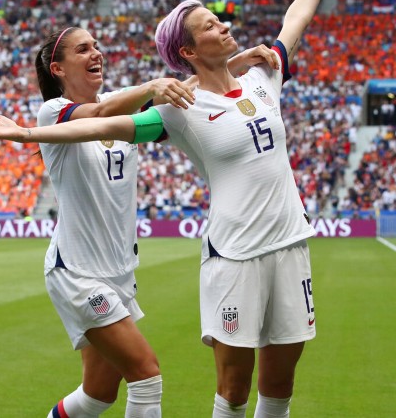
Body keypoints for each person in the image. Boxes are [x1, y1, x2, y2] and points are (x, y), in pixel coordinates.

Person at [0, 0, 348, 416]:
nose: (224, 25)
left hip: (276, 244)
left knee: (107, 393)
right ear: (187, 51)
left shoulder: (261, 77)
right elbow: (99, 122)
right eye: (209, 25)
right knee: (192, 381)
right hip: (214, 253)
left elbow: (292, 24)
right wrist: (25, 134)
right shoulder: (162, 108)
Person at [30, 26, 278, 418]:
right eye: (83, 49)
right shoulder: (53, 112)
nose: (96, 53)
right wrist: (151, 86)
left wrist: (236, 64)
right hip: (77, 272)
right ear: (58, 69)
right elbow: (98, 114)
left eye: (97, 45)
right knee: (146, 376)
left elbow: (185, 92)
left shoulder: (119, 101)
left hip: (118, 272)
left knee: (97, 394)